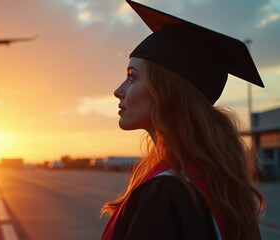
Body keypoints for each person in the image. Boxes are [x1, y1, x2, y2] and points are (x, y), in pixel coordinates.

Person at [101, 1, 265, 240]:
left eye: (131, 78)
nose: (118, 90)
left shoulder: (165, 194)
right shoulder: (212, 186)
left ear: (167, 92)